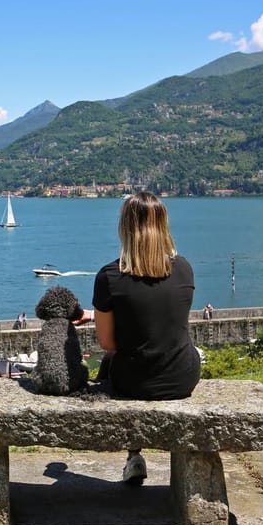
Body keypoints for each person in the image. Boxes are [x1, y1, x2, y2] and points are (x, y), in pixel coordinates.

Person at [75, 191, 200, 485]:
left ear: (125, 227)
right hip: (183, 375)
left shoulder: (109, 276)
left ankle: (134, 456)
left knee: (111, 362)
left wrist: (96, 316)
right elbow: (162, 321)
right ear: (164, 224)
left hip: (135, 381)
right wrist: (96, 315)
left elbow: (108, 344)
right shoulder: (184, 268)